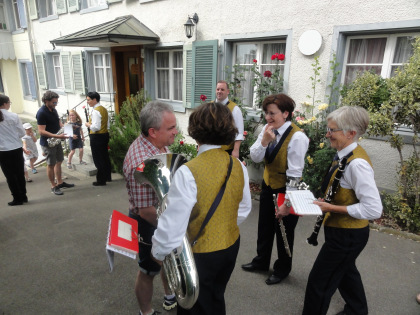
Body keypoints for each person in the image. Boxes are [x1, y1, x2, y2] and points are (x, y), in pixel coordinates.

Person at [152, 102, 252, 315]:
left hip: (201, 254)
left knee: (195, 307)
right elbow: (243, 209)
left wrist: (158, 252)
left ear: (195, 133)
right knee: (216, 296)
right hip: (230, 246)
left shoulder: (188, 172)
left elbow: (173, 225)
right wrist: (221, 228)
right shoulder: (239, 166)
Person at [301, 106, 383, 315]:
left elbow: (374, 209)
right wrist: (326, 201)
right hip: (342, 232)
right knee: (346, 273)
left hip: (348, 236)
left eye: (332, 130)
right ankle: (357, 310)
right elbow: (340, 188)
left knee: (319, 283)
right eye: (328, 129)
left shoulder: (357, 164)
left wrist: (332, 207)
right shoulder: (343, 154)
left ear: (351, 133)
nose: (328, 134)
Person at [241, 93, 309, 285]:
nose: (268, 118)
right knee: (264, 228)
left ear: (286, 113)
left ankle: (282, 269)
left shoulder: (297, 138)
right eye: (266, 113)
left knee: (284, 233)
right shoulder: (267, 129)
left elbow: (295, 174)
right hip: (268, 186)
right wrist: (264, 141)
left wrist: (287, 203)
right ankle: (261, 261)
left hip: (286, 190)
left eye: (272, 114)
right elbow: (254, 157)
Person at [123, 101, 179, 315]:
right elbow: (145, 210)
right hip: (147, 222)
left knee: (165, 258)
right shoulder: (141, 161)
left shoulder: (155, 144)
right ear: (153, 132)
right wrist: (172, 227)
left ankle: (169, 295)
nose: (176, 132)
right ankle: (146, 312)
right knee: (148, 269)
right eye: (171, 128)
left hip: (159, 214)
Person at [37, 91, 75, 196]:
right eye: (54, 102)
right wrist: (58, 136)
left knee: (59, 161)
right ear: (46, 101)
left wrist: (69, 129)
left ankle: (60, 182)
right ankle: (53, 186)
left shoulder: (53, 110)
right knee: (51, 164)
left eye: (56, 102)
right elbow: (41, 131)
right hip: (48, 142)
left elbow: (59, 123)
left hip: (56, 140)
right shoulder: (41, 113)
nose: (55, 104)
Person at [0, 95, 27, 206]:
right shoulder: (13, 116)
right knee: (20, 172)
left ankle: (17, 198)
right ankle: (24, 195)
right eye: (9, 102)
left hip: (2, 150)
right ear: (5, 103)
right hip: (16, 148)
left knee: (10, 175)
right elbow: (22, 133)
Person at [85, 91, 112, 186]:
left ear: (94, 100)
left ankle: (101, 180)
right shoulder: (103, 109)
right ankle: (108, 176)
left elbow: (96, 127)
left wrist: (88, 125)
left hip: (97, 136)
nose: (87, 101)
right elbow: (108, 124)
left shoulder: (96, 111)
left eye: (88, 100)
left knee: (98, 159)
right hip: (104, 134)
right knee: (105, 157)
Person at [215, 80, 244, 158]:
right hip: (210, 150)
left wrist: (236, 150)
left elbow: (239, 132)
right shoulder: (210, 106)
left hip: (227, 151)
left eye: (222, 89)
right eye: (218, 89)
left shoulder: (235, 109)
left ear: (227, 91)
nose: (219, 91)